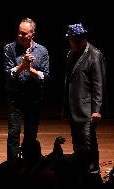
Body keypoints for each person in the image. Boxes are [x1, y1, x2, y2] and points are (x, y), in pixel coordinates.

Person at [62, 23, 106, 177]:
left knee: (88, 144)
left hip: (87, 111)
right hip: (73, 108)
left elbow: (98, 84)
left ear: (78, 39)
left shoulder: (95, 55)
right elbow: (68, 82)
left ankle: (93, 174)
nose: (69, 42)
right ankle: (80, 172)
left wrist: (96, 110)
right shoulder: (71, 54)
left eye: (71, 39)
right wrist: (65, 106)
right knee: (77, 144)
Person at [3, 17, 50, 162]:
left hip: (33, 97)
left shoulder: (42, 51)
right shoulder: (9, 48)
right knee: (13, 133)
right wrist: (22, 66)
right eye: (19, 33)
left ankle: (29, 165)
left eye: (24, 34)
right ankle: (13, 167)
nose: (20, 36)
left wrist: (29, 69)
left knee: (31, 133)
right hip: (15, 97)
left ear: (32, 35)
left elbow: (44, 76)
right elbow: (9, 73)